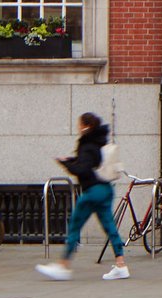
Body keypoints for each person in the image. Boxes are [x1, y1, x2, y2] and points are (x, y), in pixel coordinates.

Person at [36, 112, 131, 281]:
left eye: (80, 124)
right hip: (105, 188)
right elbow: (89, 162)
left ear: (86, 126)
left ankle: (63, 266)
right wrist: (72, 160)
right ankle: (121, 264)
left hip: (92, 191)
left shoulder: (87, 145)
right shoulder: (98, 141)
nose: (78, 127)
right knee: (110, 226)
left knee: (75, 225)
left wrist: (66, 163)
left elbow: (82, 169)